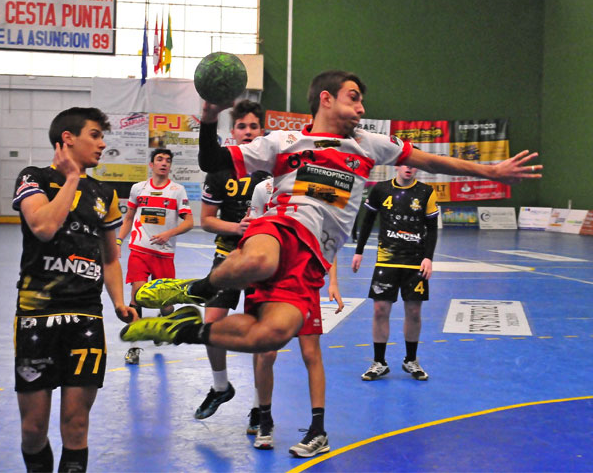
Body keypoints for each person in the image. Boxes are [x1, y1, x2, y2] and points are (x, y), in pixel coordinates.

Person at [120, 70, 541, 455]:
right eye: (354, 99)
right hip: (282, 224)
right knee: (261, 260)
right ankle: (194, 290)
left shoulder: (369, 145)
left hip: (314, 258)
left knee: (272, 335)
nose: (361, 108)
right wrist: (210, 117)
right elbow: (213, 162)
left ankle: (185, 329)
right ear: (326, 99)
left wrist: (491, 171)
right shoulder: (282, 143)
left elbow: (431, 161)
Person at [12, 107, 137, 472]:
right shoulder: (33, 177)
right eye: (95, 135)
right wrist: (70, 181)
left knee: (77, 425)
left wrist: (118, 303)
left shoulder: (104, 193)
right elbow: (44, 227)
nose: (102, 144)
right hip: (36, 318)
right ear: (68, 138)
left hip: (85, 317)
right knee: (33, 429)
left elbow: (110, 259)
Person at [246, 176, 343, 454]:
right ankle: (264, 420)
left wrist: (333, 282)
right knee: (266, 354)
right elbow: (252, 233)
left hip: (304, 280)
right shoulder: (261, 190)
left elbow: (329, 239)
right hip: (269, 283)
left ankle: (318, 431)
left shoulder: (320, 187)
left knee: (311, 354)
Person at [194, 100, 271, 425]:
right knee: (210, 327)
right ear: (233, 131)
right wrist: (236, 227)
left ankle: (258, 408)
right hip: (228, 256)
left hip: (264, 260)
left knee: (262, 336)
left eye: (254, 127)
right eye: (242, 127)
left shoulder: (274, 171)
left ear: (262, 131)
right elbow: (207, 220)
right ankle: (220, 386)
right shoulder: (220, 169)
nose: (248, 132)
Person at [351, 165, 439, 381]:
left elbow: (432, 228)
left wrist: (428, 257)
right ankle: (379, 362)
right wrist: (359, 251)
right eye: (406, 163)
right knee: (380, 309)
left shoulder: (426, 192)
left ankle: (411, 360)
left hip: (415, 262)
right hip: (387, 260)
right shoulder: (381, 190)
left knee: (414, 312)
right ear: (397, 165)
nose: (409, 168)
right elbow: (368, 220)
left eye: (414, 164)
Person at [117, 148, 194, 364]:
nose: (164, 163)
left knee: (166, 305)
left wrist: (168, 234)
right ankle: (134, 347)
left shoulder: (177, 190)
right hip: (139, 249)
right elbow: (129, 217)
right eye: (159, 159)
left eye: (168, 160)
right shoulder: (138, 189)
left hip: (164, 254)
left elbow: (189, 222)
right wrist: (118, 241)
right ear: (151, 164)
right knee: (137, 295)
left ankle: (161, 323)